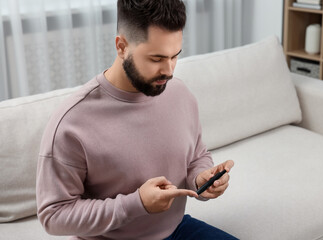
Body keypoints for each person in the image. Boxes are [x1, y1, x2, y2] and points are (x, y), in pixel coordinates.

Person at [36, 0, 237, 239]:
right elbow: (54, 216)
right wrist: (136, 203)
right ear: (121, 46)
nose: (170, 70)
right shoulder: (71, 123)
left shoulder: (180, 94)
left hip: (177, 229)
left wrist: (201, 179)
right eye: (156, 59)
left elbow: (197, 155)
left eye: (175, 56)